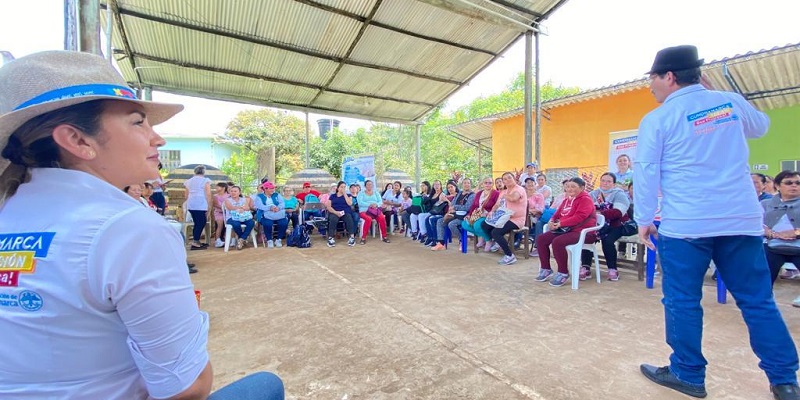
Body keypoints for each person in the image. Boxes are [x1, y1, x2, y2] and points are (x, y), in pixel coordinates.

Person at [0, 50, 283, 399]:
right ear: (77, 141)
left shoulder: (11, 210)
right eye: (138, 122)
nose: (157, 138)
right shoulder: (128, 228)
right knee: (267, 386)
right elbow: (188, 388)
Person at [634, 45, 798, 400]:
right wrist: (717, 97)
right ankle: (785, 381)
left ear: (670, 77)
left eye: (653, 78)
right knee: (757, 301)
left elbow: (645, 171)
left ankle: (688, 374)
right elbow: (762, 126)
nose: (650, 86)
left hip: (686, 225)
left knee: (682, 300)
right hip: (740, 221)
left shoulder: (658, 119)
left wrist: (644, 219)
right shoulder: (729, 102)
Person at [534, 177, 597, 286]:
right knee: (541, 239)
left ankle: (563, 272)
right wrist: (551, 221)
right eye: (568, 186)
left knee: (558, 242)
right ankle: (546, 269)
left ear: (582, 188)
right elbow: (557, 213)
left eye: (573, 186)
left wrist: (561, 224)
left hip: (584, 232)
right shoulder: (567, 199)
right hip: (567, 230)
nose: (570, 189)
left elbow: (580, 217)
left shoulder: (585, 199)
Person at [579, 172, 633, 281]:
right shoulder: (594, 193)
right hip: (596, 224)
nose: (605, 183)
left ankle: (612, 269)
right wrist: (598, 213)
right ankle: (586, 267)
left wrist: (598, 213)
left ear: (613, 183)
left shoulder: (619, 194)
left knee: (607, 240)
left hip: (616, 224)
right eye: (603, 180)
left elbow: (618, 212)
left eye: (609, 181)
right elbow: (584, 209)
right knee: (587, 236)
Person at [761, 170, 800, 283]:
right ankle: (763, 299)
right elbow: (754, 223)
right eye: (789, 183)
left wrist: (796, 232)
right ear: (777, 186)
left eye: (798, 183)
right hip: (771, 246)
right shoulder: (765, 204)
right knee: (762, 279)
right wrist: (770, 233)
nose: (794, 185)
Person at [480, 172, 527, 265]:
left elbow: (514, 198)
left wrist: (505, 196)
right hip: (503, 217)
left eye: (509, 178)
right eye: (505, 179)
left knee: (496, 232)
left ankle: (509, 256)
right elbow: (497, 205)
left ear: (514, 179)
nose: (507, 180)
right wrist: (492, 212)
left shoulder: (519, 189)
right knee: (484, 224)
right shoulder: (503, 192)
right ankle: (496, 242)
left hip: (516, 219)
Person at [462, 177, 499, 251]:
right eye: (486, 182)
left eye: (490, 183)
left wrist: (488, 212)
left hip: (488, 215)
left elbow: (498, 206)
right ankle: (482, 236)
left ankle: (488, 241)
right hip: (477, 214)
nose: (488, 184)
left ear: (493, 184)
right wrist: (469, 215)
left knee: (477, 225)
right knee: (464, 224)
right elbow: (474, 205)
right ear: (482, 184)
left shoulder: (496, 193)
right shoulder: (479, 193)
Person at [184, 165, 212, 250]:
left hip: (191, 203)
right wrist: (209, 205)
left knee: (197, 222)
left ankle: (196, 240)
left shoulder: (189, 181)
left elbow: (186, 195)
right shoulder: (205, 181)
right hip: (201, 203)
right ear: (204, 172)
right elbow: (208, 194)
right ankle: (195, 241)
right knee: (201, 222)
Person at [254, 182, 288, 249]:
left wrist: (278, 208)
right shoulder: (259, 197)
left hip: (277, 213)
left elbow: (282, 203)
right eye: (271, 188)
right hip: (264, 214)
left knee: (284, 222)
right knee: (268, 223)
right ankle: (269, 240)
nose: (273, 190)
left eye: (273, 188)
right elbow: (260, 206)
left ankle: (278, 239)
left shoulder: (277, 195)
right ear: (265, 189)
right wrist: (270, 208)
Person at [357, 179, 390, 244]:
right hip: (364, 211)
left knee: (382, 218)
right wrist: (370, 205)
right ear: (365, 186)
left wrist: (376, 205)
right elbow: (360, 203)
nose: (369, 186)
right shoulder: (361, 193)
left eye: (371, 185)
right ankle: (363, 238)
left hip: (375, 210)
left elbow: (380, 201)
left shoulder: (376, 192)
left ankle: (384, 236)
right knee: (368, 219)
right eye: (368, 184)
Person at [325, 181, 357, 247]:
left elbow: (350, 203)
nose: (343, 188)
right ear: (338, 188)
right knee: (333, 219)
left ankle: (352, 237)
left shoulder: (348, 195)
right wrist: (335, 212)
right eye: (341, 187)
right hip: (335, 212)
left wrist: (344, 194)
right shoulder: (332, 196)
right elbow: (328, 206)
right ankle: (330, 238)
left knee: (349, 218)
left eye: (344, 187)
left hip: (345, 212)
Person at [212, 182, 229, 248]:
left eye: (218, 187)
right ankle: (217, 240)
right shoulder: (215, 196)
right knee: (220, 225)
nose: (216, 188)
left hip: (227, 213)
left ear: (223, 188)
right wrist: (224, 209)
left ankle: (230, 239)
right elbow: (216, 204)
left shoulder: (228, 195)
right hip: (219, 213)